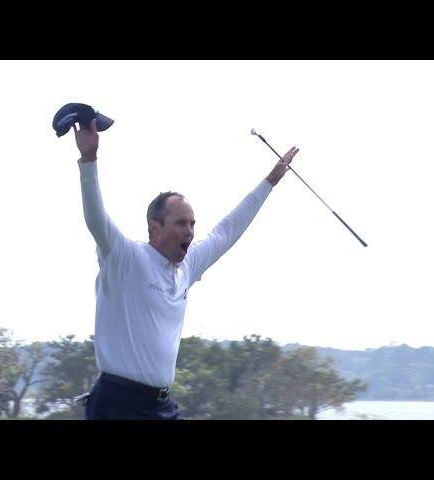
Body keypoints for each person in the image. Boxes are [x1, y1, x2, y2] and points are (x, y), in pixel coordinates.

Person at [73, 118, 299, 420]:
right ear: (155, 228)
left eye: (192, 224)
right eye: (181, 223)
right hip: (117, 403)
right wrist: (89, 159)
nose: (190, 232)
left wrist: (269, 182)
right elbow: (96, 219)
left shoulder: (187, 266)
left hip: (160, 406)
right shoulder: (125, 257)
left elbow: (226, 232)